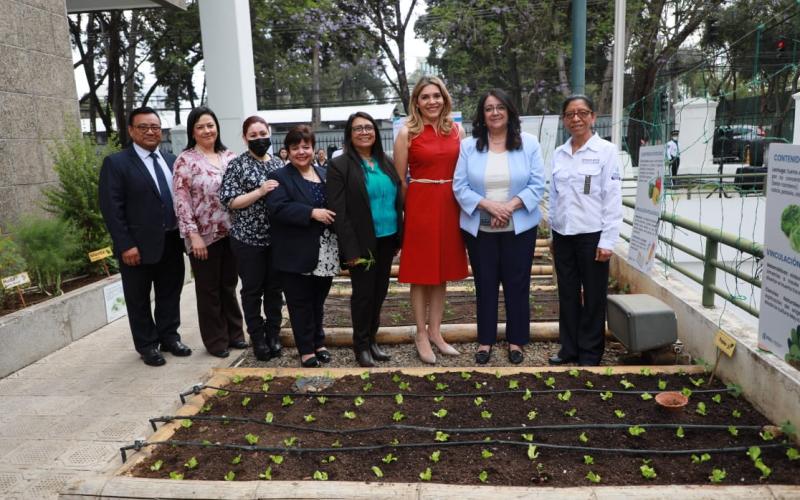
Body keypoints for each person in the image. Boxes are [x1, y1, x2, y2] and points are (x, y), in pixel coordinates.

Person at [453, 89, 545, 365]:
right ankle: (485, 341)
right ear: (482, 115)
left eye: (500, 107)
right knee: (485, 284)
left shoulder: (528, 143)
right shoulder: (469, 146)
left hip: (519, 227)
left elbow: (537, 184)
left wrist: (509, 207)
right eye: (489, 108)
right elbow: (460, 186)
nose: (494, 113)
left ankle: (516, 341)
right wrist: (490, 206)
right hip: (480, 228)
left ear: (509, 111)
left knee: (518, 284)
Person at [98, 106, 192, 366]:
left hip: (171, 241)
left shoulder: (173, 160)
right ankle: (147, 345)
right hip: (137, 247)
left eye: (155, 127)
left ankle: (169, 337)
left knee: (169, 293)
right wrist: (125, 244)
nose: (151, 132)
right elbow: (111, 208)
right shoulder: (116, 163)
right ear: (131, 130)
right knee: (138, 298)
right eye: (143, 127)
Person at [393, 76, 468, 364]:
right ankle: (421, 334)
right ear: (416, 102)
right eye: (425, 97)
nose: (432, 101)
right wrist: (406, 215)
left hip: (450, 203)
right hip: (421, 204)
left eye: (436, 95)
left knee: (442, 271)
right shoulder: (406, 133)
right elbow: (400, 180)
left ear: (444, 98)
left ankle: (436, 332)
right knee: (421, 273)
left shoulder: (457, 131)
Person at [548, 95, 623, 366]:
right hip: (564, 235)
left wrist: (608, 241)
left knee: (593, 295)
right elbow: (554, 197)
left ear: (593, 117)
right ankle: (569, 348)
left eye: (582, 113)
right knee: (567, 293)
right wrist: (552, 235)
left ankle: (590, 352)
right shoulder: (559, 153)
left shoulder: (606, 152)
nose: (576, 118)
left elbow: (613, 198)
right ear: (564, 120)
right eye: (570, 114)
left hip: (593, 234)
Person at [327, 112, 402, 367]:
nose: (364, 132)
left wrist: (399, 238)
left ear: (375, 132)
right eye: (357, 128)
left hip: (387, 239)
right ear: (350, 134)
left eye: (368, 127)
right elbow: (339, 212)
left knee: (380, 293)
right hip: (361, 244)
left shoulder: (386, 163)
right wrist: (350, 250)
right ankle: (360, 347)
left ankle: (372, 340)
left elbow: (396, 200)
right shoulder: (340, 166)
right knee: (363, 295)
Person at [172, 107, 244, 358]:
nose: (207, 130)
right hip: (204, 237)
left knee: (229, 285)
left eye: (210, 125)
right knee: (208, 290)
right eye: (201, 126)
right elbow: (181, 202)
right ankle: (216, 341)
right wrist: (193, 235)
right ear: (193, 131)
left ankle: (236, 334)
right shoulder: (185, 160)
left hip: (232, 233)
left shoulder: (230, 156)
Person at [265, 125, 339, 367]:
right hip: (295, 252)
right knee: (300, 303)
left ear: (313, 148)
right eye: (295, 147)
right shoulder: (279, 177)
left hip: (325, 251)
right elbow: (277, 208)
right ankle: (306, 350)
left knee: (318, 301)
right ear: (286, 151)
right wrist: (311, 213)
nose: (301, 152)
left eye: (305, 147)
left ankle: (319, 342)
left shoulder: (325, 173)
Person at [219, 116, 285, 362]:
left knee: (275, 290)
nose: (259, 139)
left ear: (269, 133)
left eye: (262, 133)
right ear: (245, 138)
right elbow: (230, 201)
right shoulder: (237, 165)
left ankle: (274, 334)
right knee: (252, 290)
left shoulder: (279, 163)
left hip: (276, 239)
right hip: (248, 240)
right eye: (253, 135)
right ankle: (257, 337)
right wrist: (259, 191)